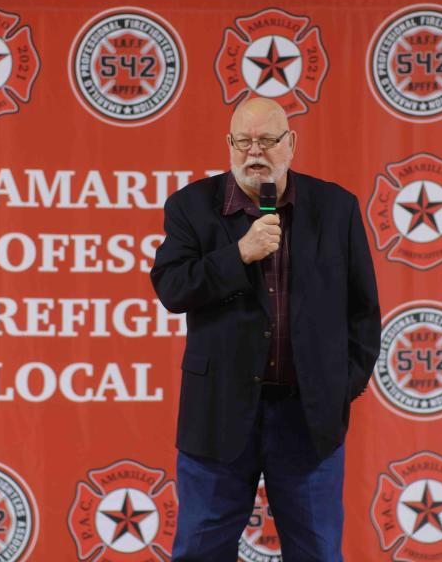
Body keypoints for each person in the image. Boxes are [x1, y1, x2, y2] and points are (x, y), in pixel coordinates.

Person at [150, 97, 381, 561]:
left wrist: (339, 386)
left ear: (291, 144)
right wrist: (237, 255)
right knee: (200, 551)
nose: (255, 152)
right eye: (244, 141)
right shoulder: (191, 206)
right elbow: (172, 288)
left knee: (316, 552)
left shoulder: (336, 209)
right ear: (229, 144)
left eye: (268, 140)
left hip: (307, 418)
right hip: (218, 418)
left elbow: (363, 311)